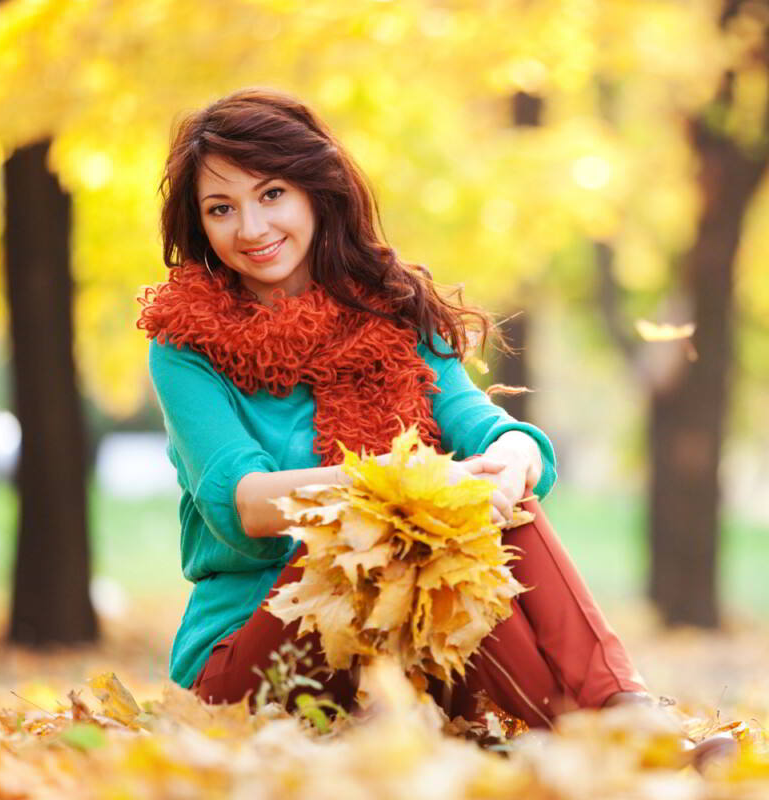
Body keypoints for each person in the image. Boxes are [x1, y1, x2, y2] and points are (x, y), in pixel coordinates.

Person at [137, 87, 651, 728]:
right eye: (221, 208)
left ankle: (621, 715)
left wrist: (512, 457)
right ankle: (596, 730)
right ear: (201, 225)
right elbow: (242, 504)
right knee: (406, 512)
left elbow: (481, 424)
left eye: (272, 194)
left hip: (409, 658)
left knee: (488, 492)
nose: (252, 228)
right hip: (256, 673)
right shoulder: (185, 343)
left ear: (314, 190)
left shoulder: (393, 307)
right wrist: (402, 487)